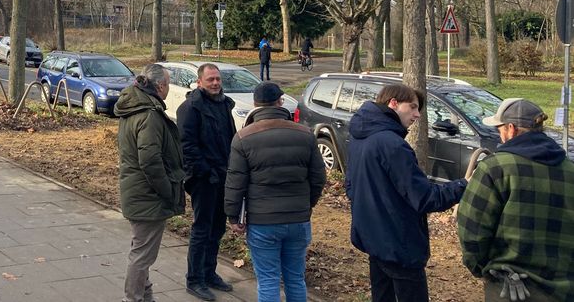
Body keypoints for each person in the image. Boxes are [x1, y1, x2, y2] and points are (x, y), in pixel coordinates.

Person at [345, 83, 467, 302]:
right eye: (412, 107)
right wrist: (463, 185)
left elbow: (351, 187)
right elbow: (425, 198)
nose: (417, 115)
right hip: (399, 245)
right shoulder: (392, 145)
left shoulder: (360, 137)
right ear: (393, 103)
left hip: (374, 240)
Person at [457, 98, 574, 302]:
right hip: (563, 288)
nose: (500, 136)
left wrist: (483, 268)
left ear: (511, 129)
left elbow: (472, 229)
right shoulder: (570, 170)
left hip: (510, 288)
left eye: (500, 129)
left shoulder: (495, 168)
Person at [225, 82, 326, 302]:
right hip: (298, 219)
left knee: (268, 280)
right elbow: (318, 178)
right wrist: (306, 204)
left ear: (255, 104)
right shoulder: (305, 134)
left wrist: (233, 216)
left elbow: (235, 183)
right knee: (295, 278)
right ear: (281, 101)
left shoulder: (243, 137)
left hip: (263, 221)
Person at [114, 64, 187, 302]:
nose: (168, 88)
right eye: (168, 83)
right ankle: (132, 298)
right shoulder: (149, 114)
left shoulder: (136, 107)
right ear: (160, 85)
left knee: (141, 249)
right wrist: (167, 192)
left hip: (138, 191)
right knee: (142, 254)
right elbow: (150, 161)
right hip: (148, 195)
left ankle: (145, 297)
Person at [176, 63, 237, 301]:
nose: (215, 83)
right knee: (201, 229)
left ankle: (209, 272)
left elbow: (229, 140)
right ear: (199, 82)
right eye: (210, 79)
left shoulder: (224, 105)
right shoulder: (190, 108)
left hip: (224, 177)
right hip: (203, 179)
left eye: (218, 79)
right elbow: (186, 147)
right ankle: (195, 279)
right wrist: (205, 172)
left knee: (218, 228)